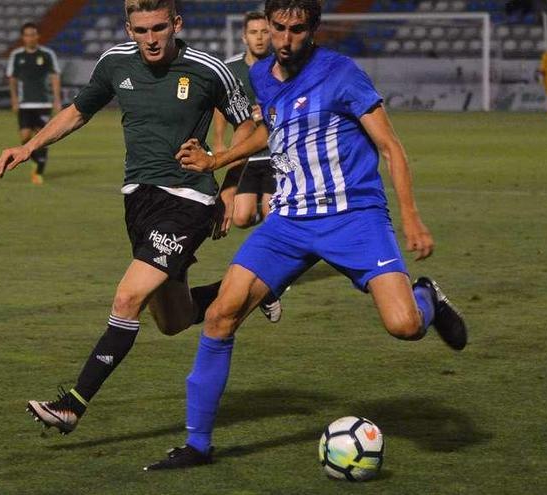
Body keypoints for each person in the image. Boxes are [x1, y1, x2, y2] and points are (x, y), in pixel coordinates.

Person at [144, 0, 468, 470]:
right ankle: (197, 446)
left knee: (404, 326)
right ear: (268, 27)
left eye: (298, 29)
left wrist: (412, 216)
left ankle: (426, 299)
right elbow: (270, 131)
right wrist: (218, 161)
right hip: (291, 221)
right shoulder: (261, 77)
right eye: (279, 28)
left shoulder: (343, 73)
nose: (287, 38)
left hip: (353, 216)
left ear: (312, 28)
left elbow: (389, 146)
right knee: (220, 315)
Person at [0, 0, 257, 435]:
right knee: (173, 321)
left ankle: (73, 404)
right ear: (128, 28)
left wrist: (227, 183)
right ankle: (256, 286)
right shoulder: (115, 63)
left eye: (158, 28)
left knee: (126, 300)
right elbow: (78, 110)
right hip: (139, 200)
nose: (150, 39)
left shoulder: (208, 69)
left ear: (176, 24)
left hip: (188, 199)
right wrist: (29, 147)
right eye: (140, 30)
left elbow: (249, 127)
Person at [211, 11, 283, 323]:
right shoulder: (231, 69)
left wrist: (266, 113)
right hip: (244, 156)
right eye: (253, 32)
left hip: (276, 155)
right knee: (241, 218)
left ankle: (268, 281)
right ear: (244, 36)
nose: (259, 37)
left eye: (264, 32)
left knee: (271, 215)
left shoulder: (281, 67)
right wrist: (219, 142)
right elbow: (218, 106)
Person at [7, 21, 62, 184]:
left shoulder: (47, 54)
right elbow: (12, 79)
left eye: (33, 34)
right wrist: (14, 99)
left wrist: (57, 100)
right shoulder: (17, 56)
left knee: (42, 138)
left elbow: (54, 77)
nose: (30, 38)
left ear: (38, 36)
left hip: (44, 103)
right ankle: (35, 159)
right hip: (25, 104)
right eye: (27, 35)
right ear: (23, 37)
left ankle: (38, 171)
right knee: (24, 136)